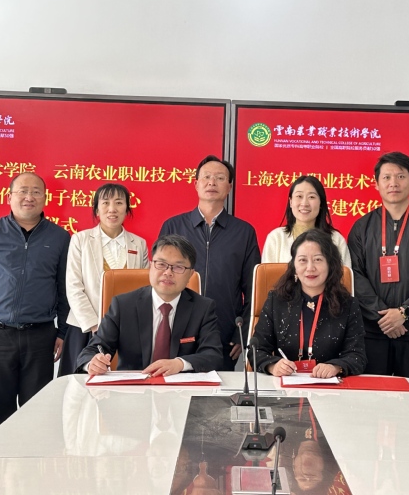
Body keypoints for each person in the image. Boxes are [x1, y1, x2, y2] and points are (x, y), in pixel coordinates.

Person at [0, 172, 70, 433]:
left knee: (37, 415)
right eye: (23, 191)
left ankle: (32, 461)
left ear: (45, 198)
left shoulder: (60, 237)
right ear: (9, 197)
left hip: (41, 337)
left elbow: (65, 289)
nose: (29, 197)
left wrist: (63, 332)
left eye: (36, 192)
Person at [348, 151, 409, 379]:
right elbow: (354, 276)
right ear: (376, 184)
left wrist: (405, 312)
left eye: (401, 176)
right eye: (387, 177)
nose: (393, 183)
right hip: (373, 332)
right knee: (373, 397)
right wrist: (384, 317)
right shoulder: (361, 227)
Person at [159, 155, 260, 371]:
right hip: (176, 327)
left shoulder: (244, 232)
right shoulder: (173, 227)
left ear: (229, 187)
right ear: (196, 184)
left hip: (224, 332)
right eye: (206, 177)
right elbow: (158, 280)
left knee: (219, 390)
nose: (212, 182)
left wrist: (241, 332)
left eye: (220, 178)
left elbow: (253, 289)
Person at [77, 234, 224, 376]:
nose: (168, 272)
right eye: (161, 264)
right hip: (133, 388)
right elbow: (93, 349)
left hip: (181, 388)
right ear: (151, 266)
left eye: (178, 267)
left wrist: (179, 364)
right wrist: (92, 363)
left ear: (191, 274)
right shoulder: (123, 305)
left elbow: (213, 355)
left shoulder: (203, 308)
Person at [58, 183, 149, 377]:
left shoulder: (139, 244)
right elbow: (73, 287)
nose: (112, 209)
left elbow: (144, 289)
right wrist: (96, 326)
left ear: (127, 209)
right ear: (97, 209)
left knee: (125, 385)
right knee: (81, 386)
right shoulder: (80, 240)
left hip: (127, 331)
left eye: (119, 203)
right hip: (85, 329)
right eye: (105, 203)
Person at [254, 229, 366, 379]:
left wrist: (335, 367)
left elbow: (357, 356)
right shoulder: (277, 301)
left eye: (318, 260)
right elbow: (256, 350)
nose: (310, 268)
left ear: (330, 265)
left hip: (330, 387)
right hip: (285, 386)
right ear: (294, 266)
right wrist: (273, 366)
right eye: (303, 260)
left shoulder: (348, 305)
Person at [262, 175, 351, 267]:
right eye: (299, 196)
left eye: (311, 197)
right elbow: (267, 275)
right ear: (291, 202)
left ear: (321, 203)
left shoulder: (336, 239)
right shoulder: (276, 238)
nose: (304, 203)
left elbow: (344, 275)